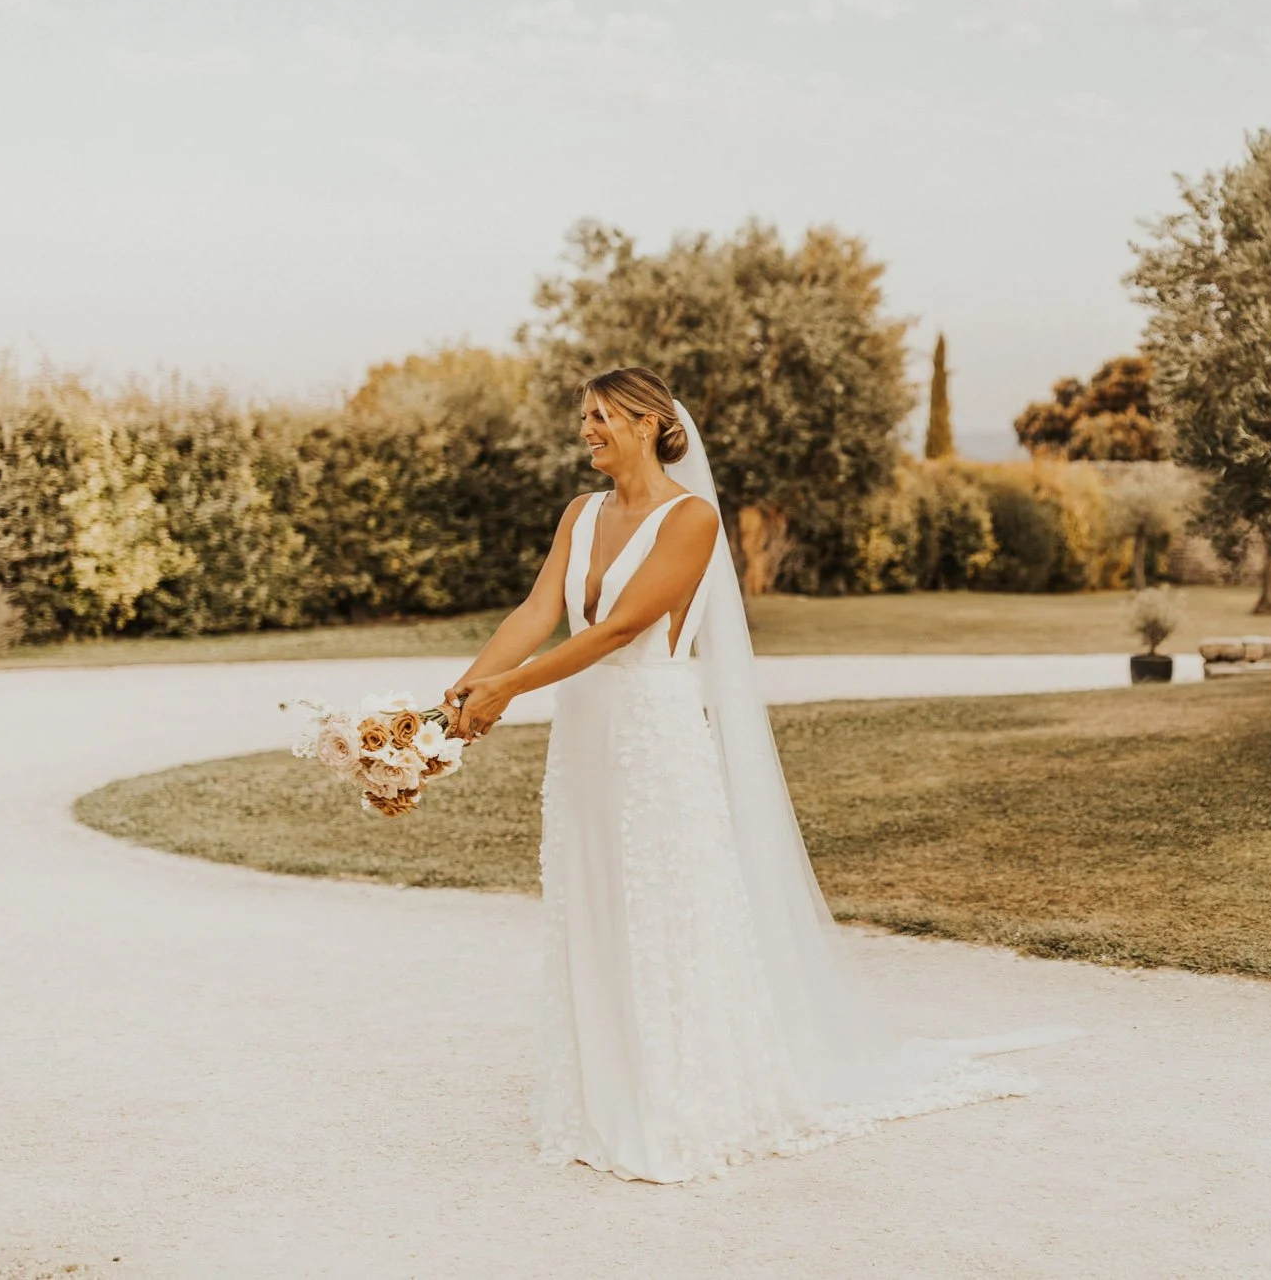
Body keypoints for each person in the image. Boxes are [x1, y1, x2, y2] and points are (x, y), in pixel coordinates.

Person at [444, 367, 1037, 1182]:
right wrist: (459, 696)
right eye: (584, 415)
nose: (585, 429)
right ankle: (600, 1096)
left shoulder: (691, 519)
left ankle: (674, 1104)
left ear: (648, 423)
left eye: (601, 415)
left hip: (650, 733)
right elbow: (536, 613)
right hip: (583, 732)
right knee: (592, 894)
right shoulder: (578, 514)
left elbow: (620, 629)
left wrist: (509, 689)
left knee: (660, 904)